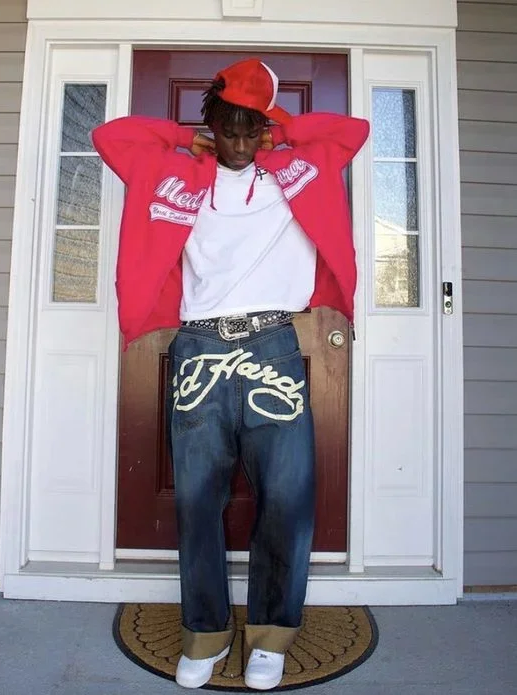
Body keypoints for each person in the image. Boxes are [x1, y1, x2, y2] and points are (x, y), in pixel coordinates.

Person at [93, 57, 369, 690]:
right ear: (210, 126)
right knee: (198, 499)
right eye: (228, 130)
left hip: (273, 345)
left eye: (252, 131)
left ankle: (271, 635)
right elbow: (110, 138)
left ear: (266, 128)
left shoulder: (293, 170)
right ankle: (206, 633)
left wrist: (281, 131)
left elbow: (350, 132)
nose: (241, 145)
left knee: (287, 496)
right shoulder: (176, 174)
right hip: (200, 348)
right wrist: (182, 137)